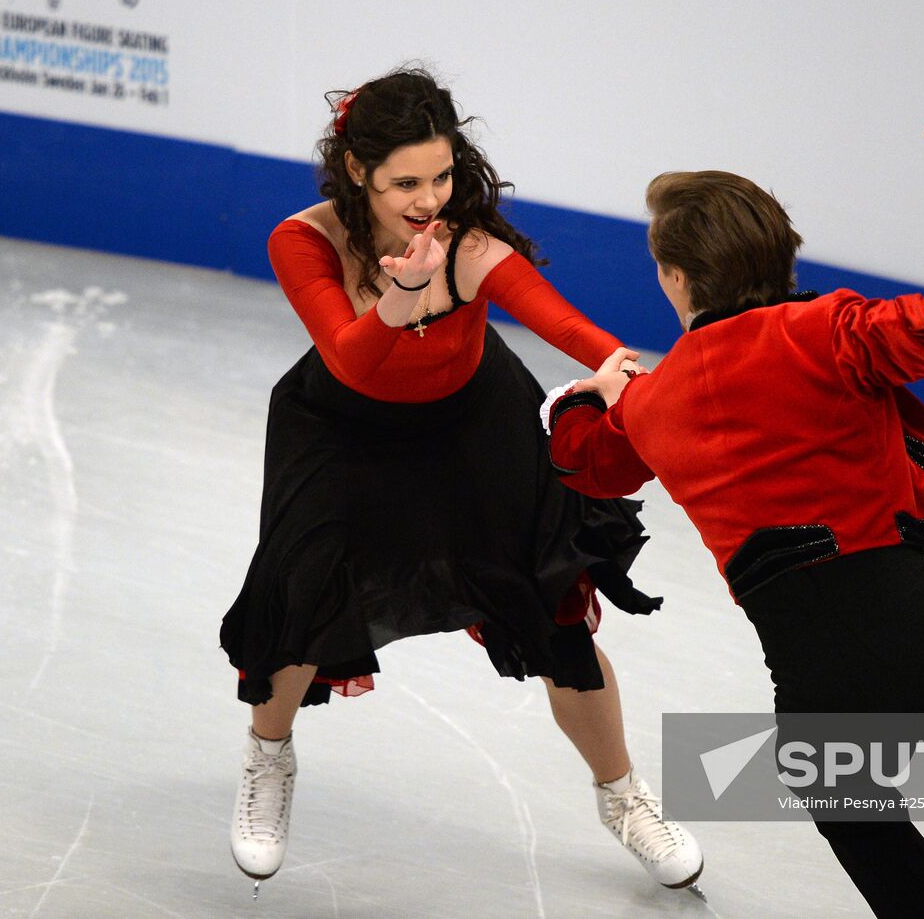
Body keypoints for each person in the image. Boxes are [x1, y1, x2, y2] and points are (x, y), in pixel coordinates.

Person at [544, 34, 924, 916]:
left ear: (676, 278)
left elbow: (587, 464)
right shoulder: (830, 332)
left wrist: (585, 396)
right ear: (779, 256)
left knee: (869, 835)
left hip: (811, 670)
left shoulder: (652, 403)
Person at [218, 67, 702, 892]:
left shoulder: (466, 241)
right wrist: (403, 292)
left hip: (475, 423)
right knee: (300, 602)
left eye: (441, 175)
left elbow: (552, 314)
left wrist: (622, 366)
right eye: (405, 181)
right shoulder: (304, 241)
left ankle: (623, 798)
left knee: (552, 614)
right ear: (358, 170)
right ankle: (270, 760)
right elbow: (353, 358)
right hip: (342, 431)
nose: (428, 198)